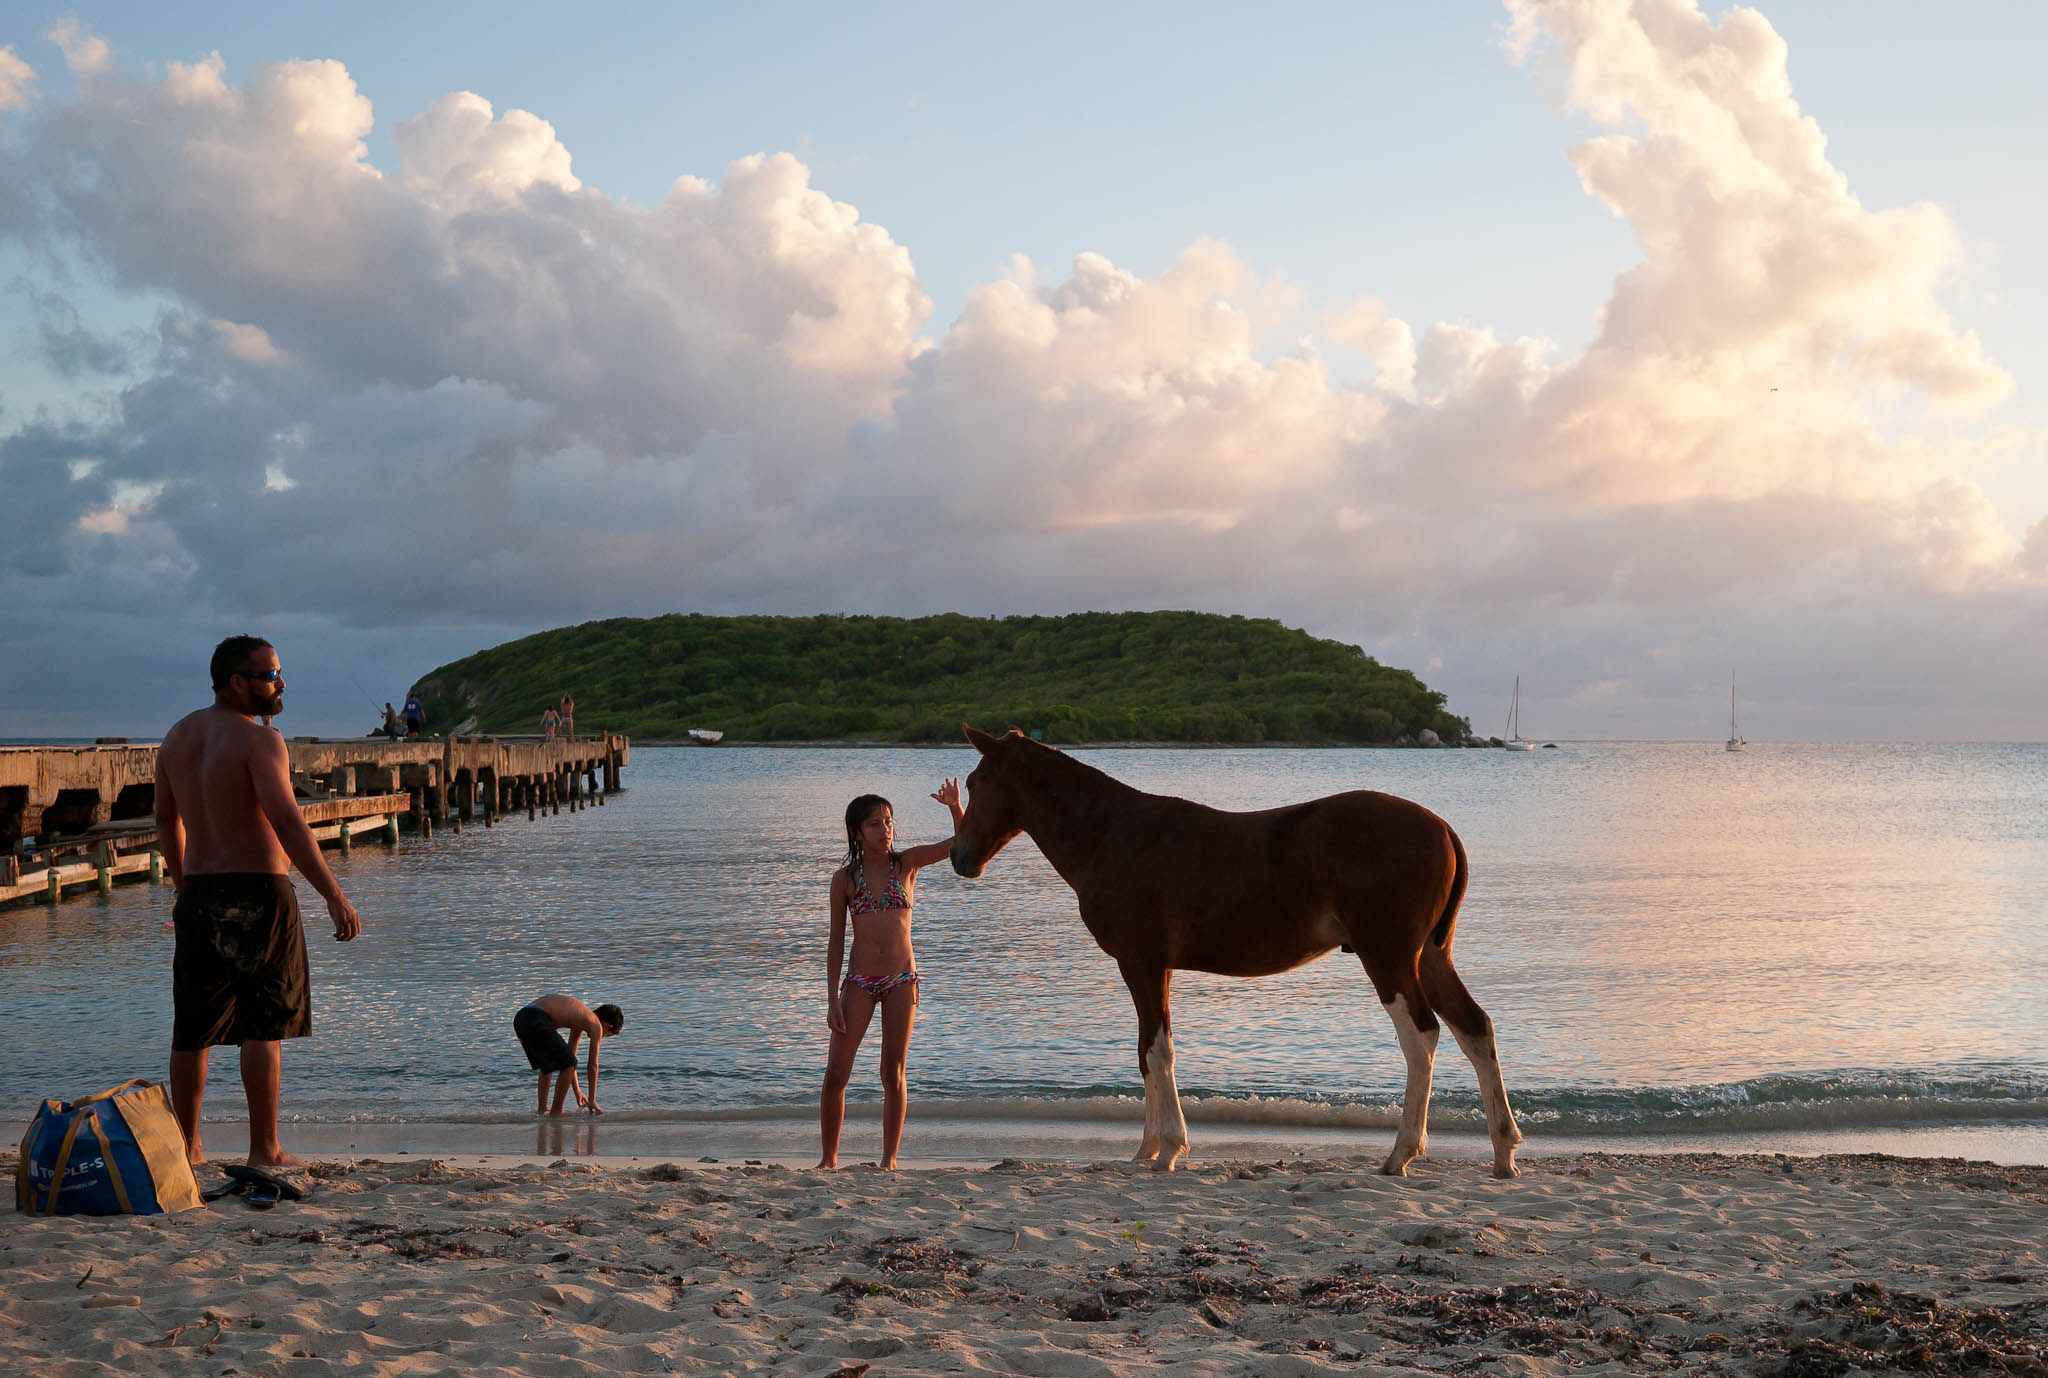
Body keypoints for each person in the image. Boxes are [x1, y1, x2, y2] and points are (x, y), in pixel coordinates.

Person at [154, 635, 363, 1169]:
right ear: (237, 682)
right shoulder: (260, 743)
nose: (282, 682)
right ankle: (263, 1148)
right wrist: (334, 896)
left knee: (193, 1027)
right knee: (263, 1024)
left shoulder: (177, 737)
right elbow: (288, 821)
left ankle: (190, 1149)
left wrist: (183, 889)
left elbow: (165, 820)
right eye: (271, 674)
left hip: (198, 894)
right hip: (257, 894)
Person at [818, 780, 963, 1170]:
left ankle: (889, 1160)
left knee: (892, 1072)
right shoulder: (844, 880)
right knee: (836, 1073)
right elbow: (835, 942)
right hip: (859, 983)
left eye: (888, 822)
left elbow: (962, 841)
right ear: (856, 832)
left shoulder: (907, 864)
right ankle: (829, 1159)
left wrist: (954, 805)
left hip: (902, 980)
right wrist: (832, 999)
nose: (885, 830)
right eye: (874, 824)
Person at [513, 995, 623, 1116]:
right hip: (535, 1017)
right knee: (568, 1063)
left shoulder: (581, 1018)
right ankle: (556, 1111)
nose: (602, 1037)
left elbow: (571, 1059)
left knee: (548, 1065)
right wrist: (592, 1099)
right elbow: (593, 1066)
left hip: (521, 1019)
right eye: (606, 1035)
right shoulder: (595, 1024)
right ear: (608, 1026)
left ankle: (542, 1110)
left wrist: (578, 1092)